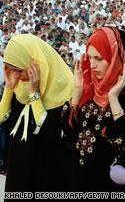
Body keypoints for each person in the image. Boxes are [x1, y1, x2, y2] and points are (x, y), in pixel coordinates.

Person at [60, 27, 125, 191]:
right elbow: (68, 132)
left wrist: (113, 99)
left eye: (99, 58)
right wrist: (77, 92)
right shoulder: (89, 88)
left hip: (111, 188)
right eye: (90, 58)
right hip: (80, 183)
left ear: (114, 58)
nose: (92, 65)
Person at [0, 34, 74, 191]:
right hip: (18, 172)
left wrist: (35, 96)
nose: (17, 76)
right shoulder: (18, 88)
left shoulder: (62, 92)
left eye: (19, 70)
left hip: (44, 174)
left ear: (34, 64)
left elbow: (51, 133)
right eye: (11, 70)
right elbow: (1, 119)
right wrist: (9, 89)